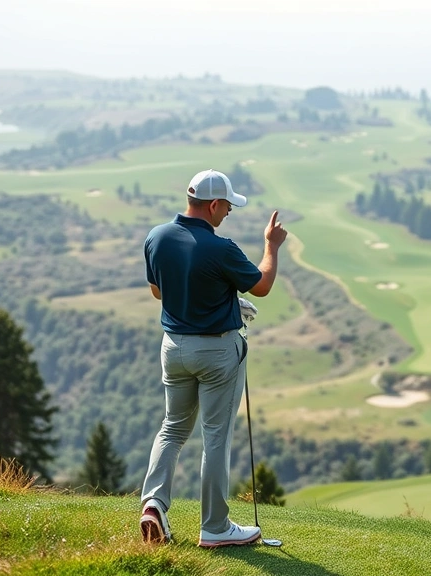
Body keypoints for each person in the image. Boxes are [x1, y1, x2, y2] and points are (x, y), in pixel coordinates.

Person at [138, 169, 287, 548]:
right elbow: (264, 285)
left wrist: (220, 298)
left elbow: (160, 292)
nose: (229, 213)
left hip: (173, 348)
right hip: (217, 352)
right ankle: (215, 527)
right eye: (228, 207)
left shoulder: (156, 237)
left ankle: (153, 505)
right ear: (214, 204)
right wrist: (271, 245)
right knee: (216, 437)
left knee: (172, 427)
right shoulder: (222, 248)